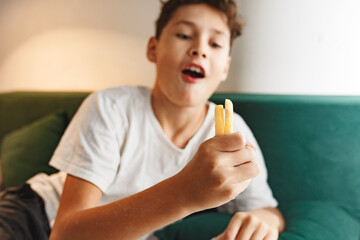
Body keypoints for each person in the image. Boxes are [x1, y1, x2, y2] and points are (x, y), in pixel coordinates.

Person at [0, 0, 285, 239]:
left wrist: (264, 222)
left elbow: (268, 209)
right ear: (153, 48)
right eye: (184, 35)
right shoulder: (110, 106)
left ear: (225, 67)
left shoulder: (232, 129)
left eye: (215, 43)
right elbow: (65, 233)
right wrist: (184, 192)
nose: (200, 49)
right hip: (34, 213)